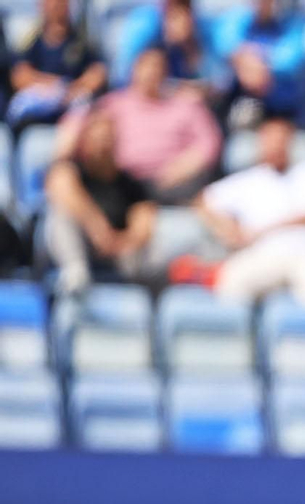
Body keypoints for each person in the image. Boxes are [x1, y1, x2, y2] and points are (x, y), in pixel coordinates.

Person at [173, 114, 305, 305]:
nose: (275, 145)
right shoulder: (250, 179)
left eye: (281, 139)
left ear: (291, 142)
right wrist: (229, 230)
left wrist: (259, 232)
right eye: (269, 139)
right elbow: (203, 200)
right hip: (266, 254)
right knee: (230, 283)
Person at [56, 48, 221, 205]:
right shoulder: (115, 103)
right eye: (145, 66)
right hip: (124, 181)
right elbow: (80, 119)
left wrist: (181, 169)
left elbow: (210, 143)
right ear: (134, 71)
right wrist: (67, 146)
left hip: (173, 182)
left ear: (166, 73)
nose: (150, 73)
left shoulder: (185, 105)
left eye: (156, 67)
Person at [43, 111, 157, 292]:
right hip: (82, 243)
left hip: (119, 253)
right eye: (96, 139)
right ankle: (76, 273)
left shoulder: (131, 184)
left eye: (106, 139)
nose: (102, 145)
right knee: (59, 216)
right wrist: (96, 226)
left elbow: (143, 223)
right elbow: (58, 184)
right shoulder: (71, 171)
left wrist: (120, 242)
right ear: (85, 142)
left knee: (149, 249)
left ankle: (136, 292)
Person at [209, 0, 305, 128]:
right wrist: (243, 59)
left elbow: (291, 60)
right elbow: (224, 40)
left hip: (285, 110)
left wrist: (259, 64)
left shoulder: (293, 21)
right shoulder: (240, 16)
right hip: (244, 99)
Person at [6, 0, 106, 130]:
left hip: (72, 104)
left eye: (60, 3)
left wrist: (70, 88)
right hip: (40, 102)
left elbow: (97, 74)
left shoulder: (81, 40)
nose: (56, 6)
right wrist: (53, 86)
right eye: (51, 3)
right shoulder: (32, 40)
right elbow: (20, 76)